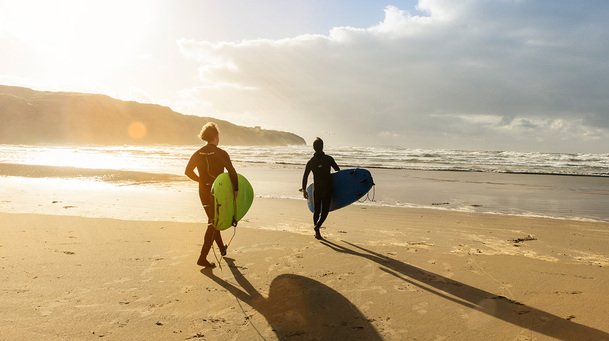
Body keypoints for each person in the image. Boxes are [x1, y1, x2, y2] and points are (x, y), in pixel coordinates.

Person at [185, 122, 238, 268]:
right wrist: (235, 191)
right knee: (213, 223)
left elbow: (187, 171)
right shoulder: (221, 153)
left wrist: (200, 180)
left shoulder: (198, 153)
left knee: (213, 220)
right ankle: (202, 257)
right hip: (217, 191)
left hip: (203, 191)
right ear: (216, 136)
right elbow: (232, 172)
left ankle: (222, 249)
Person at [301, 137, 340, 240]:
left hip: (317, 189)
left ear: (314, 148)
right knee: (325, 211)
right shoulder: (329, 159)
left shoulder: (311, 162)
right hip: (327, 188)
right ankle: (317, 226)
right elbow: (338, 172)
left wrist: (304, 190)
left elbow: (305, 176)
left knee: (317, 211)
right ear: (322, 147)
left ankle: (317, 232)